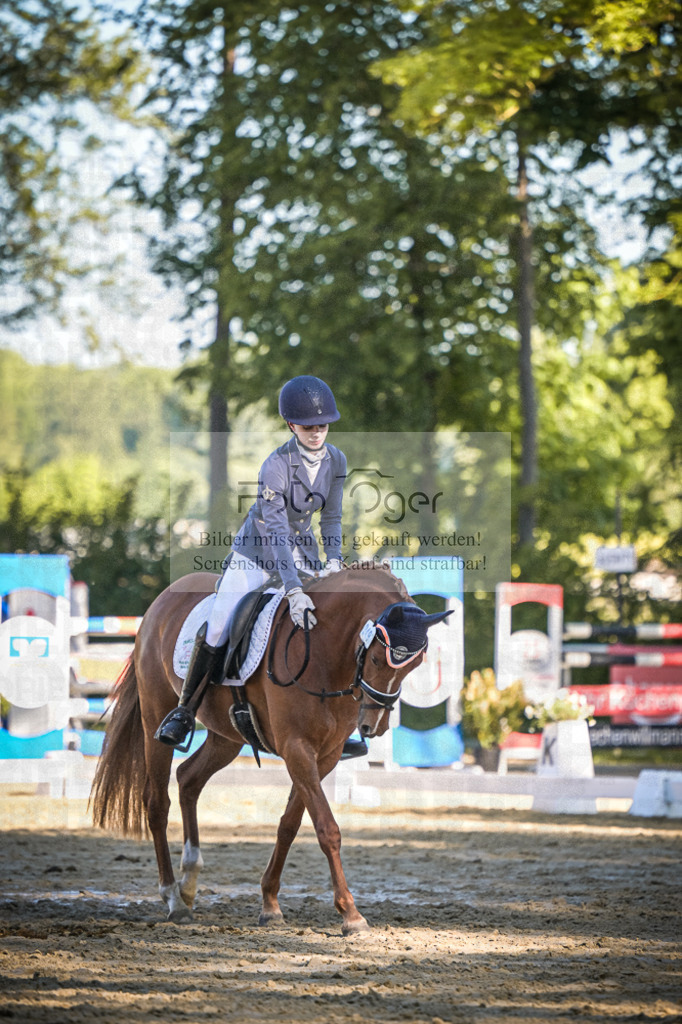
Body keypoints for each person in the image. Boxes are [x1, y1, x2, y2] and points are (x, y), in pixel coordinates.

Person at [155, 375, 367, 757]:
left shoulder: (337, 459)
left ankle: (334, 722)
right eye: (308, 426)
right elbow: (276, 532)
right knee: (220, 619)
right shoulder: (276, 465)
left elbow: (331, 518)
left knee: (331, 618)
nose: (317, 432)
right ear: (291, 425)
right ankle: (185, 711)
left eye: (322, 425)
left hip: (304, 552)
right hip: (256, 553)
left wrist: (333, 561)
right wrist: (294, 588)